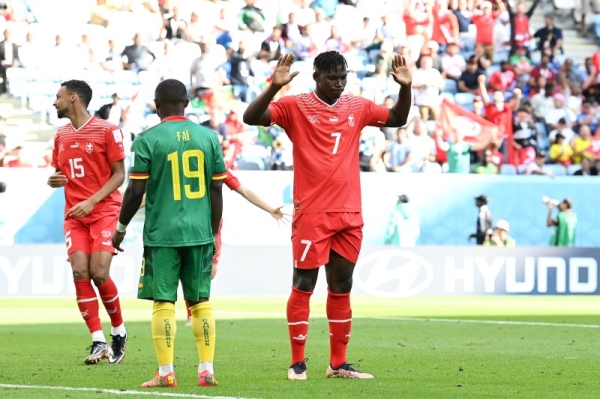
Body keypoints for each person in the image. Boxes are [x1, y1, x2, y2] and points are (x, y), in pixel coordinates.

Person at [243, 51, 412, 380]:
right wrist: (272, 87)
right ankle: (297, 363)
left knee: (342, 285)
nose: (338, 84)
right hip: (312, 213)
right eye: (332, 78)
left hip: (349, 213)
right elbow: (252, 117)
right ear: (316, 76)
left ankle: (338, 364)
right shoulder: (294, 105)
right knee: (304, 283)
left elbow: (397, 119)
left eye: (343, 78)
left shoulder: (357, 107)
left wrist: (406, 88)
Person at [111, 79, 225, 388]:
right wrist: (214, 233)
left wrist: (120, 229)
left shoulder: (148, 140)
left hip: (162, 235)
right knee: (200, 301)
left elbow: (135, 191)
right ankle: (206, 369)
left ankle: (166, 372)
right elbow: (217, 189)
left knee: (163, 302)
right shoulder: (210, 138)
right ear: (187, 103)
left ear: (157, 105)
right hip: (200, 234)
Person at [47, 80, 128, 364]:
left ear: (73, 97)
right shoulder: (61, 135)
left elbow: (120, 174)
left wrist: (92, 201)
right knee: (80, 271)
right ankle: (97, 340)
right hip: (75, 216)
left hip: (104, 210)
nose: (54, 102)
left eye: (58, 96)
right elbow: (59, 172)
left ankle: (119, 331)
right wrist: (53, 180)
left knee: (99, 272)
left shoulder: (107, 130)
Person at [181, 168, 289, 325]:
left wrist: (270, 209)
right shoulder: (188, 162)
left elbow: (244, 191)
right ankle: (194, 314)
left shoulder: (218, 165)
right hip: (191, 223)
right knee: (192, 271)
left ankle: (196, 310)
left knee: (210, 272)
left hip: (213, 225)